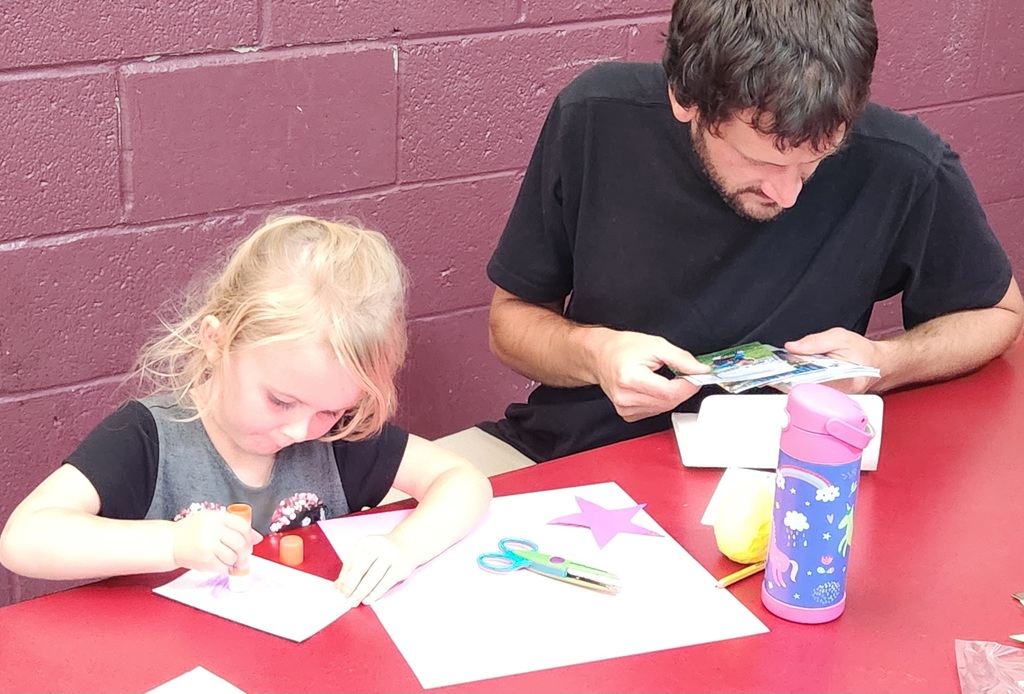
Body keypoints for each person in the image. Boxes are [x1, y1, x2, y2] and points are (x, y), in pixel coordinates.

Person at [477, 0, 1024, 462]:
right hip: (589, 454)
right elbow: (511, 322)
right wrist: (595, 352)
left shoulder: (903, 162)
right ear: (686, 98)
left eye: (816, 161)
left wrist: (884, 365)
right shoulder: (596, 117)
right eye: (758, 159)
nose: (787, 195)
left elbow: (999, 314)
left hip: (793, 469)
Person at [0, 215, 492, 606]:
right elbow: (24, 539)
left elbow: (463, 481)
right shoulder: (148, 437)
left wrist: (403, 547)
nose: (302, 429)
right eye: (281, 400)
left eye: (333, 409)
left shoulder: (335, 436)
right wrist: (171, 544)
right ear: (216, 342)